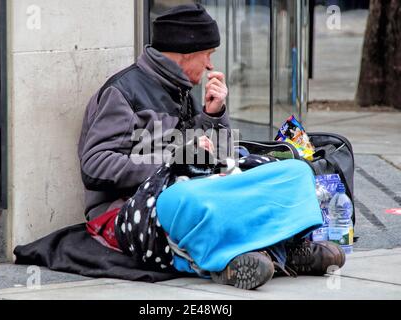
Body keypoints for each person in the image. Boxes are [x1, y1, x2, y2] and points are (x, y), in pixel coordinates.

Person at [78, 4, 345, 290]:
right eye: (208, 54)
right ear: (185, 53)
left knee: (295, 171)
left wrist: (214, 114)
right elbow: (94, 166)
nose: (209, 65)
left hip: (193, 189)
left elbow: (218, 157)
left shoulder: (184, 91)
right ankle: (237, 259)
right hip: (131, 209)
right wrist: (173, 160)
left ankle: (279, 247)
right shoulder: (122, 92)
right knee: (186, 196)